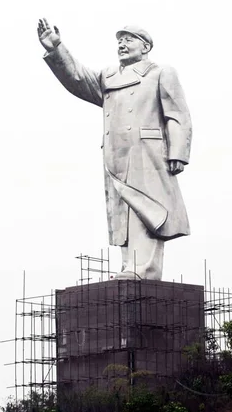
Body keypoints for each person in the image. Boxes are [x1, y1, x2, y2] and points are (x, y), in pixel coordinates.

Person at [37, 18, 192, 280]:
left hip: (148, 152)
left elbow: (178, 114)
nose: (122, 44)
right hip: (116, 153)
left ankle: (145, 270)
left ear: (145, 47)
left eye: (129, 39)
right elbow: (78, 78)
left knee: (148, 208)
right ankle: (130, 267)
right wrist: (56, 48)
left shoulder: (160, 72)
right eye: (119, 40)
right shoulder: (109, 76)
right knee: (123, 213)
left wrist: (178, 152)